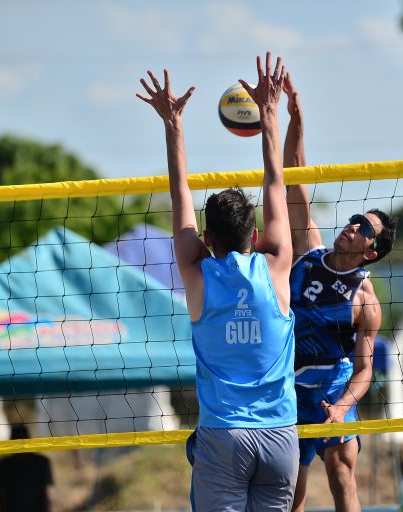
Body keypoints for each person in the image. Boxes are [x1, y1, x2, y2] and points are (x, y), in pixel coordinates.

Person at [136, 52, 298, 512]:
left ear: (207, 239)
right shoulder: (276, 265)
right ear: (255, 235)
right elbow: (274, 182)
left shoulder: (196, 272)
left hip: (224, 434)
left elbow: (179, 193)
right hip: (280, 436)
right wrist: (270, 116)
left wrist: (173, 125)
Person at [283, 77, 398, 512]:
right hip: (288, 382)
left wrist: (343, 406)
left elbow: (365, 370)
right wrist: (296, 118)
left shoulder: (366, 301)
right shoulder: (307, 251)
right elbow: (294, 174)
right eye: (355, 219)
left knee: (341, 469)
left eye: (364, 228)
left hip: (332, 383)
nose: (353, 225)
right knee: (289, 488)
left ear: (371, 251)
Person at [0, 423, 53, 512]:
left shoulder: (42, 462)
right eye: (17, 441)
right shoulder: (3, 465)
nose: (20, 447)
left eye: (22, 441)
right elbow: (2, 496)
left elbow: (44, 494)